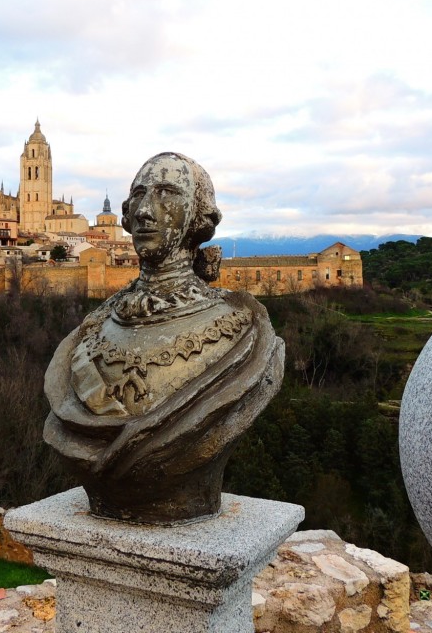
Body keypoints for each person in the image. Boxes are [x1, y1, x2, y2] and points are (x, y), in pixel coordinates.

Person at [44, 152, 284, 524]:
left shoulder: (243, 328)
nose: (144, 210)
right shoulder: (93, 326)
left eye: (167, 193)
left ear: (198, 218)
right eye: (138, 195)